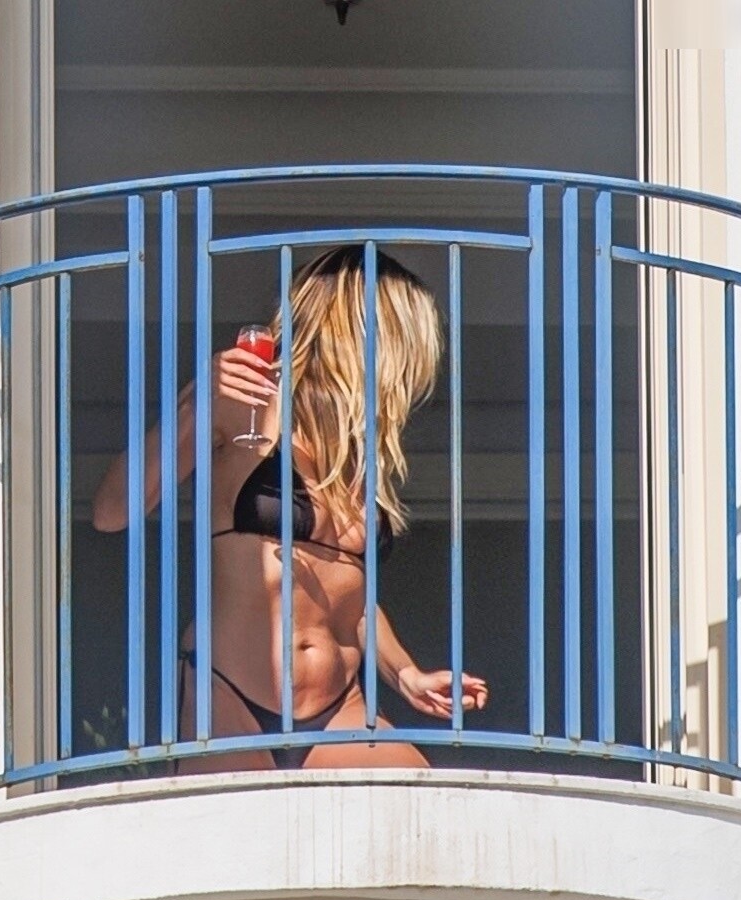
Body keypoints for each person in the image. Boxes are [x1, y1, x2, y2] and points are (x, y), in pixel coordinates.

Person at [92, 245, 488, 772]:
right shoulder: (243, 399)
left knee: (417, 801)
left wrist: (405, 674)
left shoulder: (356, 451)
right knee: (227, 828)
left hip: (341, 706)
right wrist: (197, 403)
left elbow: (350, 598)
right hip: (231, 696)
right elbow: (113, 511)